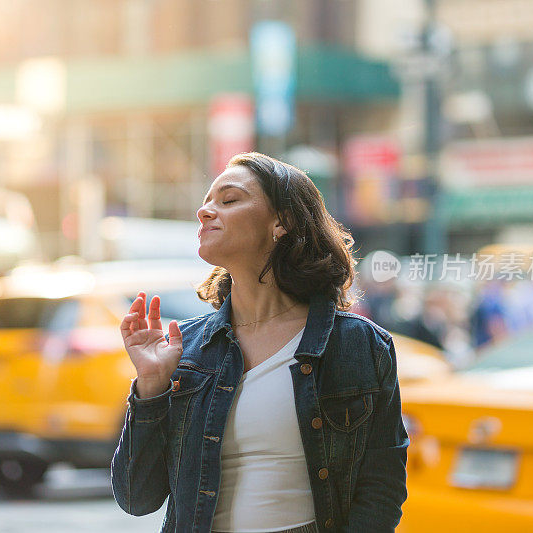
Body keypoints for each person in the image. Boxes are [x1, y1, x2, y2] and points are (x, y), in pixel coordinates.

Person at [112, 153, 409, 532]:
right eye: (205, 203)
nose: (205, 212)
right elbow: (137, 499)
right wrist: (151, 388)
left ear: (281, 223)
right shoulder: (184, 348)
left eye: (229, 200)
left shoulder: (357, 345)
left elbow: (381, 491)